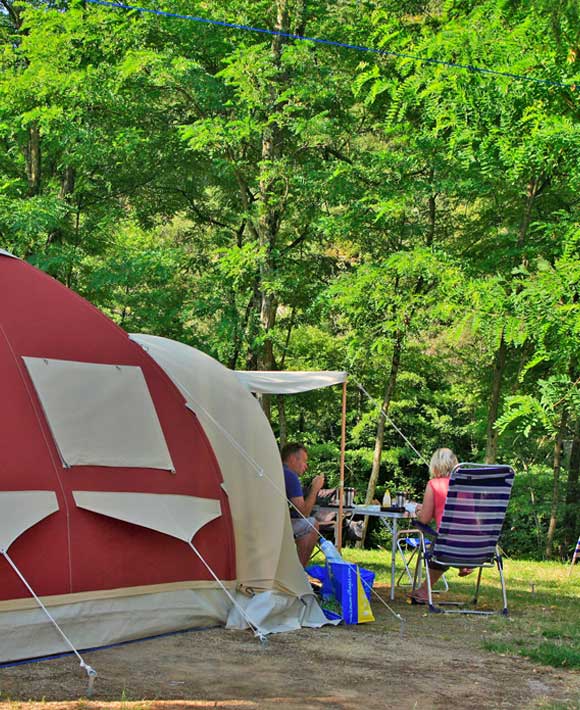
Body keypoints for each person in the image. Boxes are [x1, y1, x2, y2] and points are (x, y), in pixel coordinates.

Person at [408, 447, 472, 604]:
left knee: (441, 543)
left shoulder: (434, 484)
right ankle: (464, 563)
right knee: (450, 538)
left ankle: (423, 591)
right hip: (475, 546)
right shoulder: (468, 483)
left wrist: (416, 512)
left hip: (448, 546)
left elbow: (424, 520)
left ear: (435, 466)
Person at [282, 442, 325, 567]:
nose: (306, 466)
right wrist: (315, 489)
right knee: (312, 524)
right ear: (292, 459)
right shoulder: (290, 476)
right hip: (275, 527)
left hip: (260, 523)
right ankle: (299, 573)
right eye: (304, 461)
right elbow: (303, 512)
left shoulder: (277, 470)